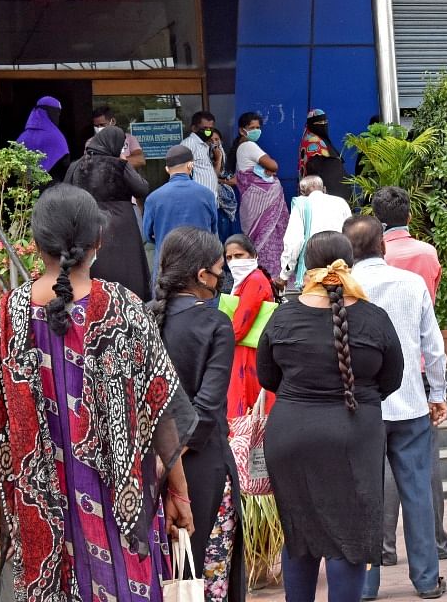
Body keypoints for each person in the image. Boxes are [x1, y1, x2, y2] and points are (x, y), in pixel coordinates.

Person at [0, 184, 198, 601]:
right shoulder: (124, 307)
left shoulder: (8, 316)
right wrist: (178, 493)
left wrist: (4, 498)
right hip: (119, 504)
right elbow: (161, 410)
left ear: (35, 243)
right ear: (97, 241)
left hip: (40, 506)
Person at [257, 232, 405, 602]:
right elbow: (393, 377)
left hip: (291, 434)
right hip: (355, 434)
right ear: (349, 264)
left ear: (307, 266)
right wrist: (360, 401)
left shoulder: (282, 316)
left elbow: (267, 377)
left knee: (299, 534)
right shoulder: (373, 318)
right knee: (349, 538)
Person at [343, 216, 447, 601]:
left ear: (347, 250)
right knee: (417, 491)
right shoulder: (412, 283)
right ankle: (426, 579)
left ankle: (366, 585)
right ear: (382, 247)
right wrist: (437, 393)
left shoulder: (344, 289)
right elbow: (433, 348)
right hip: (410, 404)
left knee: (364, 495)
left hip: (362, 408)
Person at [149, 227, 246, 602]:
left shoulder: (142, 319)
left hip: (149, 469)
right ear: (201, 275)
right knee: (206, 579)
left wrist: (158, 465)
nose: (224, 276)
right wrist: (170, 463)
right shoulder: (215, 323)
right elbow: (205, 411)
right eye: (221, 268)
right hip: (203, 467)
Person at [371, 187, 447, 565]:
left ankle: (384, 548)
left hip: (376, 374)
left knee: (383, 463)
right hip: (418, 368)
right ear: (409, 213)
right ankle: (436, 543)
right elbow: (430, 316)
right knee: (424, 464)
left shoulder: (370, 262)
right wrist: (440, 390)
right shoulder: (426, 253)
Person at [65, 125, 152, 300]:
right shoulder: (119, 165)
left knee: (95, 268)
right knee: (127, 271)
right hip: (122, 226)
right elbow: (142, 189)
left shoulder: (77, 165)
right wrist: (123, 161)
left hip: (89, 223)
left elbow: (66, 192)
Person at [224, 234, 278, 418]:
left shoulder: (254, 280)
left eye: (239, 256)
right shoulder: (249, 279)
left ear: (253, 255)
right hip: (248, 350)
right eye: (229, 258)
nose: (233, 262)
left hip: (248, 354)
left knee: (244, 408)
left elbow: (239, 327)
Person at [143, 144, 219, 275]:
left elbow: (148, 235)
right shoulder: (207, 195)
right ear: (191, 165)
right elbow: (213, 230)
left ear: (167, 169)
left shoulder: (153, 198)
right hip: (199, 267)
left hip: (167, 267)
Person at [231, 111, 288, 274]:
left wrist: (264, 169)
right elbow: (274, 165)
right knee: (270, 236)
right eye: (252, 127)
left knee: (260, 238)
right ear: (242, 130)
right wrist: (268, 168)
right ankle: (271, 274)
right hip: (265, 204)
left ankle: (261, 274)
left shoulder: (240, 148)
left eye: (258, 127)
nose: (256, 130)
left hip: (254, 205)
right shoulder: (249, 146)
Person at [277, 176, 352, 291]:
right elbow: (350, 235)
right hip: (340, 267)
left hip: (313, 269)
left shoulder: (301, 205)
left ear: (301, 192)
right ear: (324, 189)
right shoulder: (341, 202)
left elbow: (294, 244)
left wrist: (284, 275)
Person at [16, 95, 71, 179]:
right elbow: (65, 165)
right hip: (53, 189)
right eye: (57, 113)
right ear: (51, 113)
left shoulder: (22, 137)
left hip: (25, 189)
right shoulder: (56, 137)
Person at [298, 108, 349, 199]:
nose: (323, 125)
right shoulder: (312, 142)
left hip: (338, 192)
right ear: (311, 124)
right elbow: (313, 170)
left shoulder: (322, 140)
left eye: (325, 122)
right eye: (319, 123)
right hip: (327, 194)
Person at [87, 105, 146, 170]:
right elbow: (89, 165)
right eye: (96, 126)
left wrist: (109, 163)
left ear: (113, 121)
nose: (98, 128)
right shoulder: (91, 142)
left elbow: (140, 160)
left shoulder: (129, 139)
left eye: (102, 125)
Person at [184, 110, 224, 199]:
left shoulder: (204, 146)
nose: (208, 131)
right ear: (194, 128)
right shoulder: (189, 144)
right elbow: (181, 172)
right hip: (198, 199)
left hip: (209, 199)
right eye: (205, 128)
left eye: (210, 129)